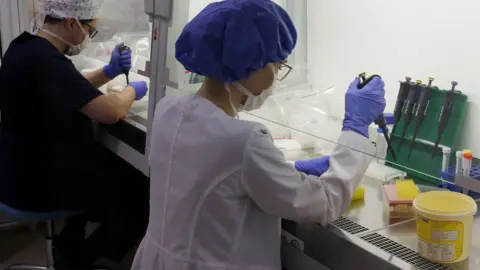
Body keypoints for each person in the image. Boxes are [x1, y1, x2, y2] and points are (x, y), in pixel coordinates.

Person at [132, 0, 385, 269]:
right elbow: (324, 203)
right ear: (251, 62)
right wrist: (355, 130)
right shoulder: (244, 140)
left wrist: (289, 168)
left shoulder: (168, 110)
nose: (277, 77)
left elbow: (213, 170)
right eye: (277, 66)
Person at [0, 0, 149, 269]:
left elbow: (69, 85)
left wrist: (109, 71)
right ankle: (78, 259)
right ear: (71, 23)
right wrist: (133, 91)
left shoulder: (25, 47)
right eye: (89, 30)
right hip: (41, 185)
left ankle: (70, 241)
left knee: (116, 173)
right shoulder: (45, 60)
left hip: (22, 172)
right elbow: (109, 112)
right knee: (138, 199)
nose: (87, 38)